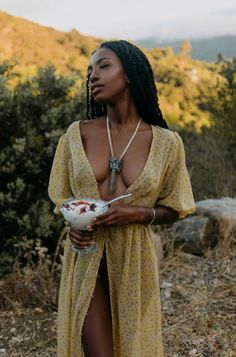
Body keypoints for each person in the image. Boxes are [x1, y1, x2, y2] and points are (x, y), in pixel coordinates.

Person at [48, 40, 196, 357]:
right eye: (89, 71)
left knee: (131, 348)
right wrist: (73, 222)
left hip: (135, 260)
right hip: (86, 253)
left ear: (129, 74)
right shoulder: (77, 134)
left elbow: (175, 206)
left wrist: (139, 214)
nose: (93, 77)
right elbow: (62, 198)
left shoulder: (166, 143)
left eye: (103, 66)